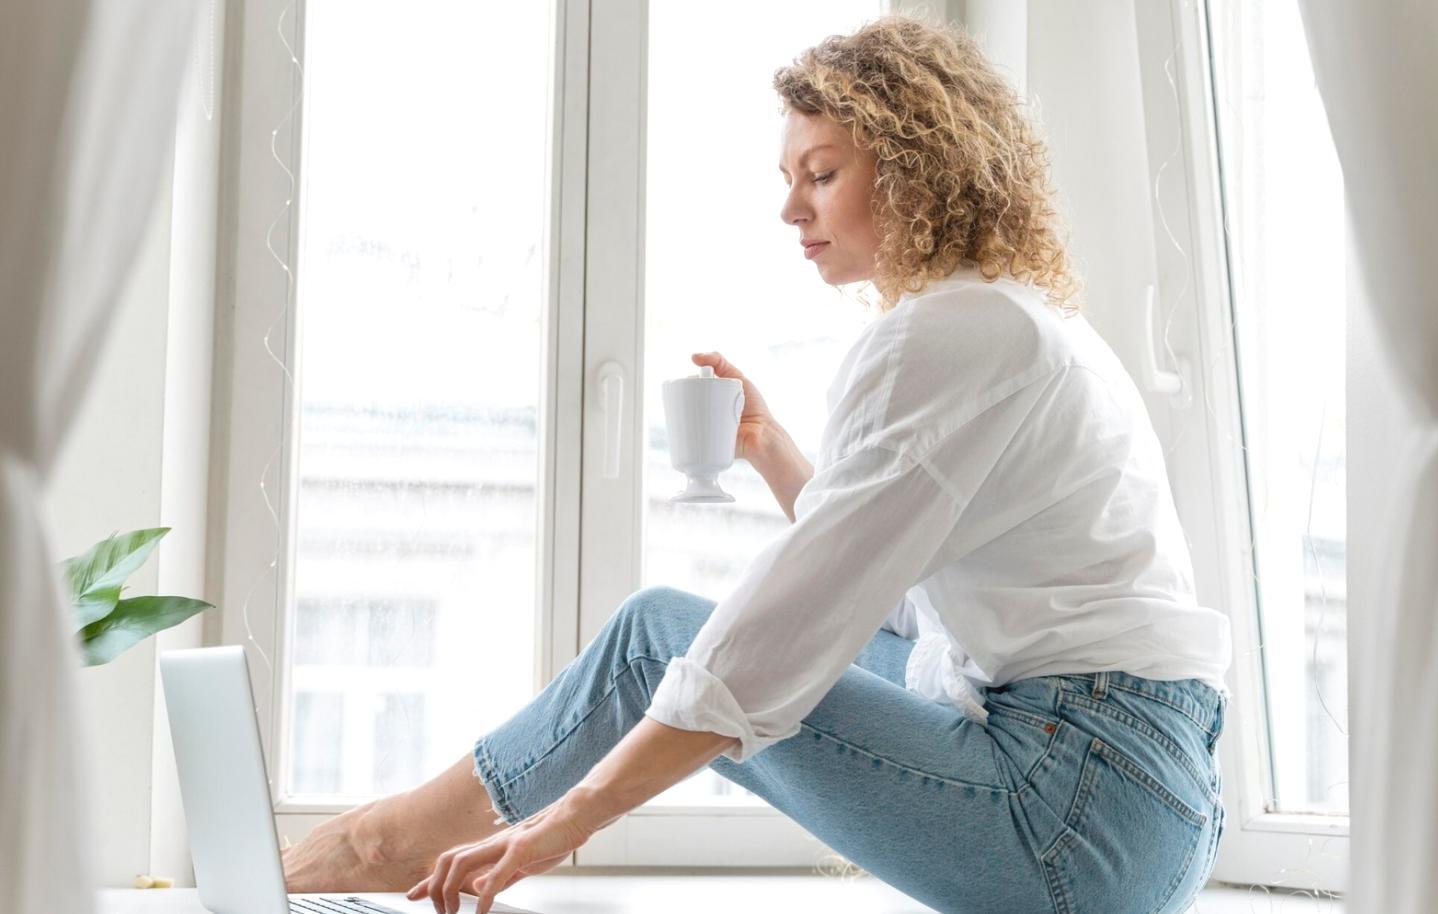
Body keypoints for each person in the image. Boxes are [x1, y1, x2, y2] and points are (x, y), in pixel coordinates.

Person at [282, 14, 1232, 914]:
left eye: (821, 174)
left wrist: (562, 822)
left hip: (1073, 813)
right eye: (789, 177)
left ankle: (385, 843)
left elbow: (788, 628)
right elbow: (898, 606)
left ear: (914, 172)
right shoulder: (1017, 316)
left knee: (659, 638)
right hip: (1144, 810)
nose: (790, 208)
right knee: (711, 638)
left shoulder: (948, 333)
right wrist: (774, 451)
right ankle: (385, 838)